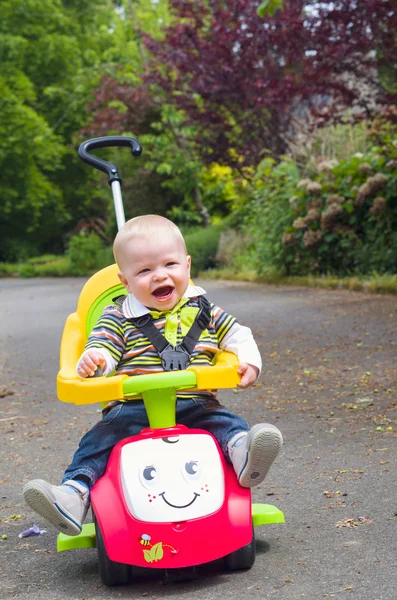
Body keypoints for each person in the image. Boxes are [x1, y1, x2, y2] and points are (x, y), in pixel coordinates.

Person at [23, 215, 283, 536]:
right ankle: (74, 495)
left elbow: (238, 335)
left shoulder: (204, 310)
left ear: (187, 266)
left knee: (226, 424)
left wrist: (250, 362)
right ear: (125, 282)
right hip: (131, 408)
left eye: (169, 264)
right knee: (98, 442)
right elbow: (103, 346)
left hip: (195, 401)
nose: (160, 275)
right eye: (144, 270)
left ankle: (245, 457)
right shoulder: (118, 317)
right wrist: (96, 362)